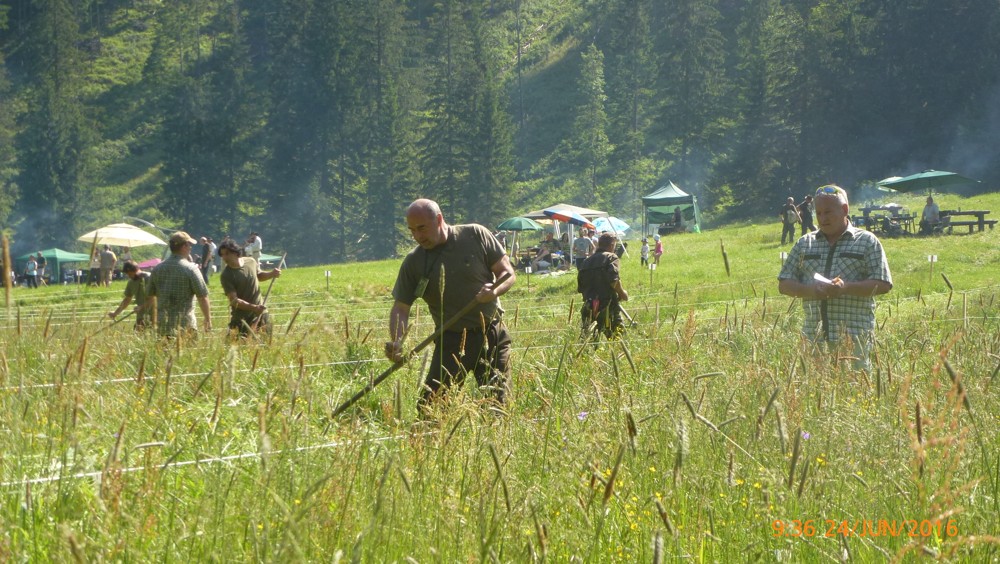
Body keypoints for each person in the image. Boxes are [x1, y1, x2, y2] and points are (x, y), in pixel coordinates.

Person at [385, 198, 516, 412]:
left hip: (491, 335)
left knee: (497, 407)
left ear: (438, 219)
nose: (417, 236)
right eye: (412, 231)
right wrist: (398, 340)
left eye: (422, 228)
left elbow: (507, 273)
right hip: (451, 340)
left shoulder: (475, 235)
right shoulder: (414, 262)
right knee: (430, 411)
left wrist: (493, 290)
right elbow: (401, 307)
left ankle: (497, 442)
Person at [778, 184, 892, 371]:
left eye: (828, 212)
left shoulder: (867, 241)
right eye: (819, 213)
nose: (822, 218)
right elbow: (784, 284)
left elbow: (883, 284)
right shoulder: (804, 243)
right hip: (813, 338)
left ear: (845, 210)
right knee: (813, 394)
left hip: (854, 340)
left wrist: (845, 288)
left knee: (855, 392)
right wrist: (811, 291)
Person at [147, 231, 212, 337]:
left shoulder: (157, 269)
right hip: (185, 326)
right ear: (185, 246)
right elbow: (202, 297)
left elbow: (150, 296)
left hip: (163, 326)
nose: (190, 248)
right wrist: (208, 319)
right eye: (189, 245)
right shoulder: (191, 269)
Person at [218, 238, 281, 335]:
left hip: (261, 313)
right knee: (236, 347)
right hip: (241, 318)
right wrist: (254, 308)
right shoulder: (226, 275)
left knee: (266, 345)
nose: (224, 257)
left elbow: (259, 275)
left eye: (227, 254)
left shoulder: (251, 262)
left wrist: (272, 274)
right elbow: (234, 301)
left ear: (235, 252)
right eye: (222, 255)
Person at [577, 233, 629, 339]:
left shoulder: (586, 262)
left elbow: (581, 287)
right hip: (607, 306)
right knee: (618, 339)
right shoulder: (611, 257)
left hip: (589, 306)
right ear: (611, 245)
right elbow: (614, 280)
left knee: (590, 342)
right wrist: (622, 293)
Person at [108, 260, 152, 330]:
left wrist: (141, 307)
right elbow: (127, 299)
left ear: (136, 270)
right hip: (141, 316)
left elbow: (155, 298)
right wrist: (115, 313)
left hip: (155, 314)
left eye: (130, 274)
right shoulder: (131, 282)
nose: (129, 276)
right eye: (127, 274)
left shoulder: (150, 278)